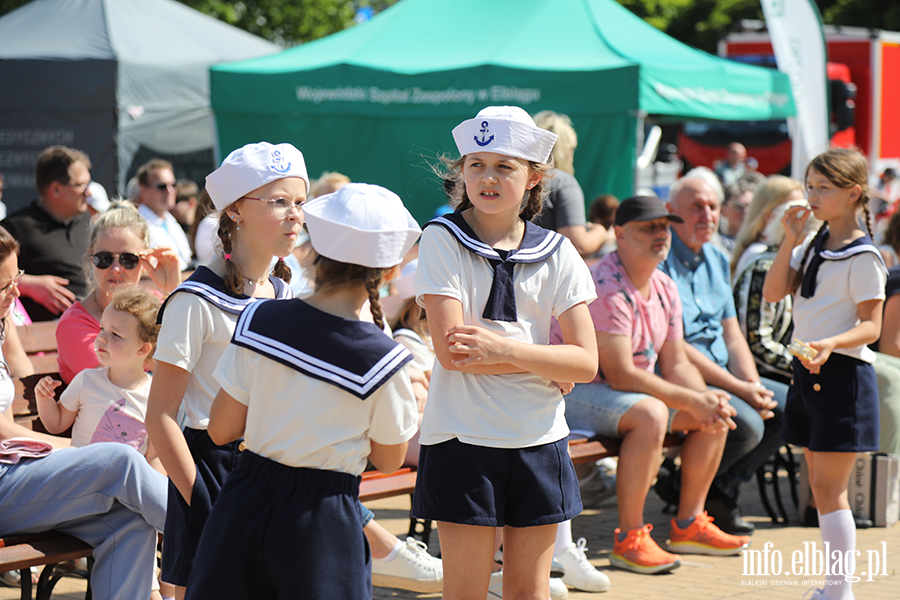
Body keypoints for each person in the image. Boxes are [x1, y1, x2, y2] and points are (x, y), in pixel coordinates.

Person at [183, 183, 421, 600]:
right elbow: (388, 459)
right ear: (390, 272)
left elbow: (220, 430)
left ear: (314, 252)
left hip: (244, 505)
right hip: (323, 522)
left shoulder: (260, 320)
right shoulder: (386, 361)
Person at [412, 105, 599, 600]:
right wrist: (541, 361)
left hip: (539, 438)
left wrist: (500, 348)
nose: (487, 178)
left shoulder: (558, 251)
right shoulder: (441, 238)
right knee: (466, 593)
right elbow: (453, 352)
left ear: (536, 177)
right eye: (476, 164)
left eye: (504, 166)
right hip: (462, 440)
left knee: (529, 594)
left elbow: (585, 362)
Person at [145, 142, 302, 599]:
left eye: (299, 202)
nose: (295, 214)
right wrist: (205, 501)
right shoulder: (194, 300)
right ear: (234, 210)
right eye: (279, 201)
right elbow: (161, 417)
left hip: (268, 469)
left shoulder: (281, 294)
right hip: (206, 470)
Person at [560, 196, 748, 575]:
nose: (661, 234)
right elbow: (620, 374)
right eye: (650, 227)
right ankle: (630, 540)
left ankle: (689, 525)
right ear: (620, 234)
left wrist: (704, 401)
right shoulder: (605, 283)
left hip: (620, 393)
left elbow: (676, 362)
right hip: (567, 391)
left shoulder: (663, 283)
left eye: (665, 226)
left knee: (714, 412)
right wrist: (692, 399)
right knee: (651, 413)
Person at [0, 223, 167, 600]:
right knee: (119, 461)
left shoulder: (1, 321)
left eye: (18, 279)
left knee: (130, 522)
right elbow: (4, 432)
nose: (17, 292)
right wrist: (82, 455)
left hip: (15, 471)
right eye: (6, 285)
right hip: (7, 478)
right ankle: (219, 538)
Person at [763, 148, 886, 600]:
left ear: (853, 193)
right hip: (808, 369)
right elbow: (775, 291)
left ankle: (839, 589)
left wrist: (832, 344)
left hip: (842, 376)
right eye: (810, 185)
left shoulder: (864, 255)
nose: (811, 195)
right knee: (820, 487)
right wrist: (789, 239)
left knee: (829, 490)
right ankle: (835, 587)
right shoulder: (814, 241)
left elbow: (872, 325)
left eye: (823, 188)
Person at [659, 175, 788, 536]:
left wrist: (751, 383)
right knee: (746, 422)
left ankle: (710, 487)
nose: (707, 215)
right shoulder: (660, 258)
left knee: (792, 407)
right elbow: (675, 346)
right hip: (681, 374)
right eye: (696, 207)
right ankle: (698, 496)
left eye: (713, 206)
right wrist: (743, 390)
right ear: (671, 213)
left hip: (721, 372)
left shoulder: (718, 256)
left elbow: (732, 334)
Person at [55, 202, 180, 384]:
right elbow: (115, 384)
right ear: (91, 257)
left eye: (128, 259)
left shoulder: (158, 306)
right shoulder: (74, 324)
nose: (115, 269)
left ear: (145, 259)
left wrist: (173, 290)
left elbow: (194, 355)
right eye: (104, 258)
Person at [731, 176, 809, 384]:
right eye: (796, 212)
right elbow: (756, 343)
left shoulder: (786, 258)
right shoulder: (763, 263)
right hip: (764, 374)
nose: (805, 219)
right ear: (770, 217)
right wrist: (806, 367)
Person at [2, 146, 93, 321]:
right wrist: (29, 285)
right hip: (44, 338)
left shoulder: (86, 220)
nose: (88, 192)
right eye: (81, 185)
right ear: (56, 189)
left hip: (96, 329)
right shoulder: (16, 226)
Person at [532, 111, 608, 257]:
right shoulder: (563, 182)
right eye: (571, 148)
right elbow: (578, 245)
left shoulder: (517, 179)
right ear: (564, 150)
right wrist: (601, 232)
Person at [136, 159, 193, 271]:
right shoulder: (136, 226)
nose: (170, 190)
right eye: (162, 186)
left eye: (173, 185)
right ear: (144, 191)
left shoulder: (171, 220)